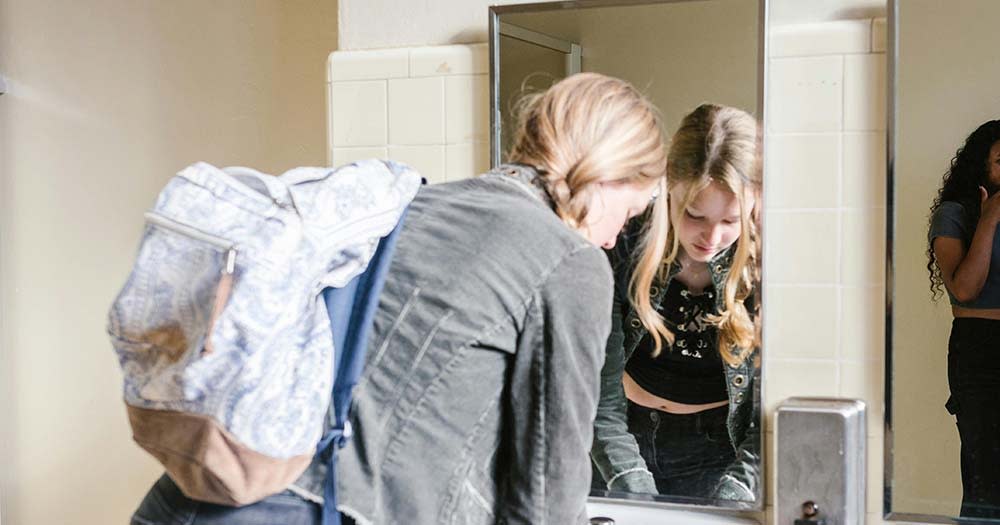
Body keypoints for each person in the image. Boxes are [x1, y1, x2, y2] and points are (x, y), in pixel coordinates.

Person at [131, 72, 670, 525]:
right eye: (629, 213)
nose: (612, 238)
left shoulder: (409, 202)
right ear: (606, 175)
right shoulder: (569, 260)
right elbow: (548, 491)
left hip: (197, 495)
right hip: (321, 512)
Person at [591, 103, 762, 503]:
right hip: (617, 438)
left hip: (716, 449)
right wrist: (627, 475)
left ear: (754, 203)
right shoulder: (627, 240)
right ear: (669, 188)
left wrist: (738, 488)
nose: (711, 236)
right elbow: (598, 387)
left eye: (730, 221)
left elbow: (770, 410)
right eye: (694, 215)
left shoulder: (767, 262)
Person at [927, 119, 1000, 520]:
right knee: (985, 476)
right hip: (980, 346)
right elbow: (965, 290)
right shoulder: (955, 214)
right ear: (981, 167)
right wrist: (989, 218)